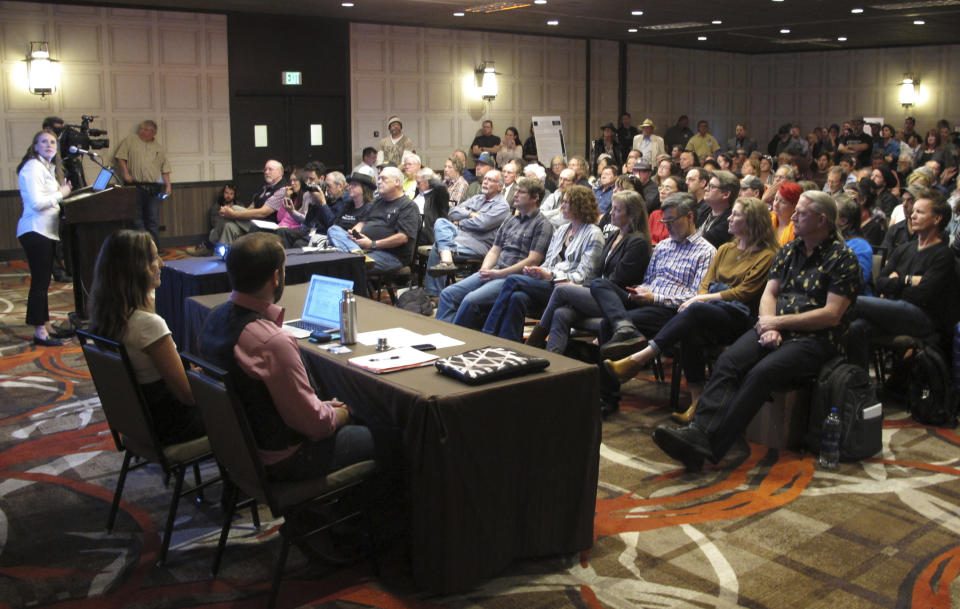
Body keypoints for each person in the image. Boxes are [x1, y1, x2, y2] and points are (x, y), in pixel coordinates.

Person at [652, 191, 861, 472]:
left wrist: (778, 324)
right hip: (773, 326)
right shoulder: (789, 251)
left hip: (816, 338)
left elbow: (831, 315)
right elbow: (769, 293)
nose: (793, 217)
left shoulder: (843, 258)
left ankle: (712, 445)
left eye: (801, 213)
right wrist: (767, 322)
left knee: (761, 373)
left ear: (822, 219)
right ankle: (698, 431)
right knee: (728, 362)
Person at [198, 232, 374, 482]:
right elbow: (314, 426)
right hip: (285, 459)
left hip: (239, 452)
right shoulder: (272, 342)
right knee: (387, 434)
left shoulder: (213, 318)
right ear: (275, 277)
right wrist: (342, 412)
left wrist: (323, 407)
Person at [603, 197, 778, 423]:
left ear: (753, 220)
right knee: (689, 329)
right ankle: (697, 402)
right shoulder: (725, 249)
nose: (729, 219)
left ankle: (640, 357)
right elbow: (706, 281)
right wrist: (701, 297)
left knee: (694, 313)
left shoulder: (766, 255)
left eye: (736, 215)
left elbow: (744, 293)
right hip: (707, 310)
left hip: (737, 316)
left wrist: (701, 299)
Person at [89, 230, 204, 444]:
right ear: (132, 269)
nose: (161, 263)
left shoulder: (107, 315)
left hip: (139, 421)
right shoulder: (148, 325)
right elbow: (187, 396)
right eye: (153, 258)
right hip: (170, 424)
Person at [526, 190, 651, 355]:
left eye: (617, 210)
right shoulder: (615, 235)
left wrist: (581, 289)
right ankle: (552, 359)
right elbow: (596, 272)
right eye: (612, 208)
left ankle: (535, 340)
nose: (611, 213)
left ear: (632, 215)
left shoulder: (638, 242)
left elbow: (618, 280)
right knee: (561, 313)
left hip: (616, 300)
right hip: (598, 291)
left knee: (562, 289)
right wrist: (580, 287)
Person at [844, 189, 956, 371]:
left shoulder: (943, 255)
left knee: (852, 301)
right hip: (894, 310)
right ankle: (860, 386)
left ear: (937, 219)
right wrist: (908, 281)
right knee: (856, 328)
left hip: (922, 318)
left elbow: (923, 295)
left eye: (920, 212)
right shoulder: (905, 248)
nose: (913, 216)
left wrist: (895, 282)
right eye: (913, 212)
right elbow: (879, 281)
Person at [481, 185, 604, 342]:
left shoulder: (594, 234)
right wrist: (537, 271)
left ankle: (488, 331)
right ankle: (509, 344)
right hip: (549, 283)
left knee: (512, 280)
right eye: (562, 202)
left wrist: (550, 274)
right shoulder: (562, 230)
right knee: (517, 297)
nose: (562, 206)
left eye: (566, 202)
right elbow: (549, 262)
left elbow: (584, 276)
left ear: (580, 206)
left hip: (568, 288)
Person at [437, 178, 554, 328]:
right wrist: (485, 268)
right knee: (448, 294)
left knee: (470, 300)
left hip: (514, 277)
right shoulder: (510, 220)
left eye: (521, 192)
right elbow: (495, 250)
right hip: (495, 271)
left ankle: (456, 337)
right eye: (516, 191)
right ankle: (444, 335)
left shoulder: (542, 225)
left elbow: (533, 260)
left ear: (535, 197)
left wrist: (499, 274)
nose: (515, 195)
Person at [16, 130, 73, 346]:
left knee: (44, 282)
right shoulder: (32, 168)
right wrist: (61, 193)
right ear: (35, 146)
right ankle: (40, 331)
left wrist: (61, 191)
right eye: (43, 142)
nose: (49, 145)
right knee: (39, 283)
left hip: (46, 231)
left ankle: (46, 324)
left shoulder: (47, 168)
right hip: (34, 230)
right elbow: (37, 203)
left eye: (52, 142)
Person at [424, 170, 509, 295]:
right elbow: (452, 212)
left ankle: (434, 292)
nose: (485, 182)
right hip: (459, 237)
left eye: (490, 180)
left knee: (439, 246)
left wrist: (460, 222)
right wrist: (470, 214)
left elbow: (482, 224)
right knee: (441, 222)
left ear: (499, 186)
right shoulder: (477, 198)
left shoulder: (502, 206)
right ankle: (446, 261)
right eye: (485, 178)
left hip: (478, 244)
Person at [326, 166, 420, 273]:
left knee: (344, 264)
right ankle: (356, 254)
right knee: (334, 230)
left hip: (391, 256)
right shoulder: (377, 202)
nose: (379, 182)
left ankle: (355, 257)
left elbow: (403, 237)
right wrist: (355, 233)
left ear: (397, 182)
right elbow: (362, 222)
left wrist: (372, 244)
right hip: (365, 249)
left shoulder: (408, 206)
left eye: (383, 179)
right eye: (378, 178)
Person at [114, 120, 171, 244]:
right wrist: (125, 174)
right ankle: (142, 246)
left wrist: (168, 185)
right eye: (141, 128)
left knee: (153, 219)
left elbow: (165, 168)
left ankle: (155, 248)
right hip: (134, 186)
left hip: (153, 187)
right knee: (136, 219)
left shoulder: (158, 148)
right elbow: (120, 157)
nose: (142, 131)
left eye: (145, 129)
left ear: (153, 132)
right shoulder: (130, 141)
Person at [212, 160, 286, 246]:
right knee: (229, 226)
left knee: (233, 208)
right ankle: (224, 256)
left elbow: (263, 213)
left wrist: (233, 214)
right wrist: (236, 217)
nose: (266, 172)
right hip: (255, 222)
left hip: (268, 226)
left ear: (280, 172)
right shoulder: (266, 187)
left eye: (270, 169)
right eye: (265, 170)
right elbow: (251, 207)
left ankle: (210, 241)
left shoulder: (282, 190)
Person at [186, 183, 238, 256]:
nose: (228, 196)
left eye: (231, 194)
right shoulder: (216, 207)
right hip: (221, 231)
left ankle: (208, 245)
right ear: (223, 193)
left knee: (228, 225)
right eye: (226, 193)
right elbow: (215, 224)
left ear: (235, 195)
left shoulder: (239, 206)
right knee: (223, 226)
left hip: (235, 230)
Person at [772, 181, 802, 245]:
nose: (776, 204)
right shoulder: (767, 219)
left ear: (795, 205)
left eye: (783, 202)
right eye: (776, 199)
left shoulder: (799, 229)